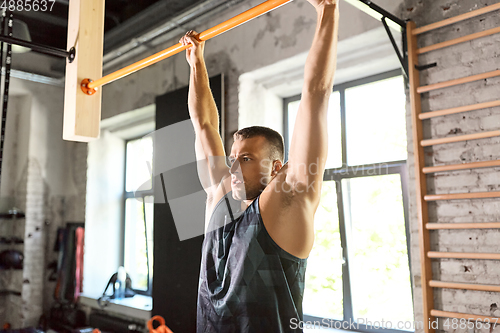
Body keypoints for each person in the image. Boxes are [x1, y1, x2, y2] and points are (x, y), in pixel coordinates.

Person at [180, 0, 339, 331]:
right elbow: (204, 124)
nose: (234, 168)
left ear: (277, 167)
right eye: (234, 157)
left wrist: (327, 10)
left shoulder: (289, 202)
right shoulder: (220, 197)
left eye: (247, 159)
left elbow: (315, 95)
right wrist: (196, 63)